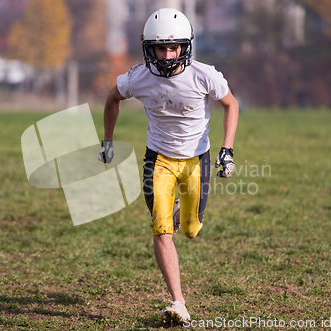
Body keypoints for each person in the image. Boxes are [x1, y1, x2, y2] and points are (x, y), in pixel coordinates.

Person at [98, 8, 239, 326]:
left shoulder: (205, 75)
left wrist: (226, 149)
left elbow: (231, 104)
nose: (167, 54)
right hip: (157, 160)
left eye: (173, 47)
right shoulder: (138, 77)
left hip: (196, 160)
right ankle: (178, 302)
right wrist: (107, 141)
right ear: (149, 49)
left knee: (190, 230)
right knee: (161, 230)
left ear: (185, 46)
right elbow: (112, 98)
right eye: (160, 48)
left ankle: (180, 215)